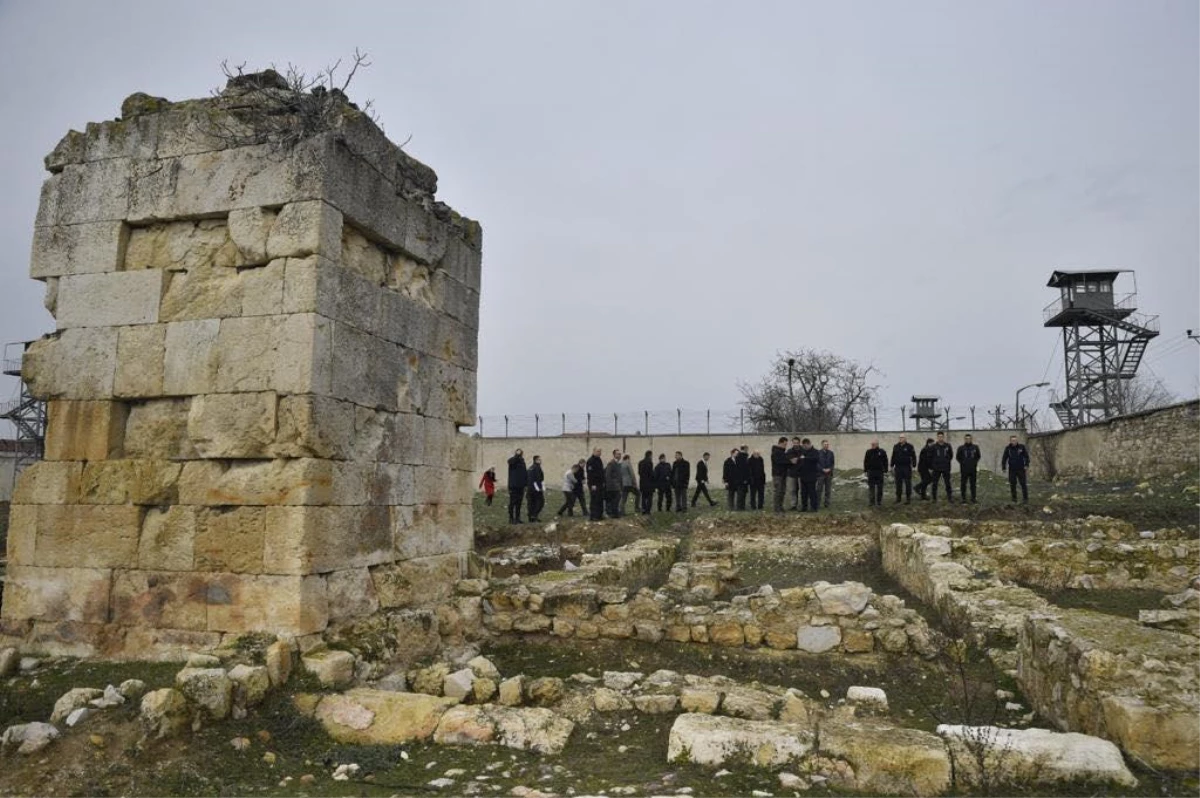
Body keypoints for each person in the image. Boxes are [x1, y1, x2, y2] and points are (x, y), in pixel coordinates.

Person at [1001, 435, 1031, 503]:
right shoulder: (1008, 448)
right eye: (1012, 440)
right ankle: (1014, 499)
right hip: (1012, 470)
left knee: (1023, 484)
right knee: (1012, 484)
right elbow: (1004, 458)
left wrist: (1026, 465)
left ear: (1017, 440)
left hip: (1021, 469)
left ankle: (1025, 499)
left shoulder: (1021, 447)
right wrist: (1004, 467)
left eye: (1015, 440)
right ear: (1010, 441)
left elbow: (1026, 457)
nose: (1014, 442)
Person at [797, 438, 822, 512]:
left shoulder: (815, 452)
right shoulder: (803, 452)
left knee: (812, 492)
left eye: (805, 446)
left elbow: (815, 459)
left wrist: (805, 458)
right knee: (803, 493)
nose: (804, 447)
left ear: (809, 444)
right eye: (803, 446)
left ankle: (814, 507)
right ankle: (804, 507)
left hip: (811, 476)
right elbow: (800, 461)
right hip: (803, 475)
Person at [956, 434, 982, 504]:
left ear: (971, 439)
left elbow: (978, 456)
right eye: (966, 439)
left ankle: (973, 498)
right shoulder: (961, 448)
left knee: (973, 484)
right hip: (964, 469)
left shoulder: (975, 447)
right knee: (963, 484)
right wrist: (963, 463)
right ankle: (963, 499)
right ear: (964, 439)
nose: (968, 440)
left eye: (969, 439)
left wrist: (974, 463)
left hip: (972, 469)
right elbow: (958, 457)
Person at [891, 435, 917, 504]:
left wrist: (914, 464)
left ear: (905, 439)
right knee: (898, 483)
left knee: (908, 483)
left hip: (906, 467)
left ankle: (908, 499)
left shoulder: (909, 446)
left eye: (902, 438)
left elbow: (913, 456)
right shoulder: (896, 446)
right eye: (900, 437)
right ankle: (898, 498)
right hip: (898, 467)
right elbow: (893, 456)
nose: (901, 439)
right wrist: (891, 465)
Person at [930, 431, 954, 503]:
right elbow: (930, 457)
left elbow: (951, 455)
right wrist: (933, 465)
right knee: (934, 483)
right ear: (937, 437)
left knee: (947, 483)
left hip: (945, 468)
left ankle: (949, 498)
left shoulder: (947, 446)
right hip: (936, 468)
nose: (940, 438)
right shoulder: (934, 447)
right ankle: (934, 498)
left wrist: (946, 462)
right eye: (939, 437)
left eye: (942, 437)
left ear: (943, 437)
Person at [863, 439, 889, 507]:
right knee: (871, 487)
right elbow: (866, 461)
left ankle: (879, 501)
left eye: (873, 444)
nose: (872, 445)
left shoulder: (882, 451)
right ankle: (872, 502)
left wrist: (886, 470)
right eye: (871, 444)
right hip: (871, 472)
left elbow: (885, 461)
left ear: (877, 444)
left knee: (880, 487)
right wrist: (865, 470)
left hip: (879, 472)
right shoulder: (868, 452)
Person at [507, 449, 528, 524]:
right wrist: (516, 455)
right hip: (513, 486)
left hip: (521, 486)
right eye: (518, 452)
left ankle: (517, 518)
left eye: (520, 452)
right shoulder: (512, 461)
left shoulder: (523, 462)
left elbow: (525, 474)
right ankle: (511, 518)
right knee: (512, 503)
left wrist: (526, 484)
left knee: (519, 503)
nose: (519, 454)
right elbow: (510, 461)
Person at [770, 436, 790, 513]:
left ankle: (780, 506)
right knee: (778, 491)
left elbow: (785, 462)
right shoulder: (776, 452)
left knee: (782, 491)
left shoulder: (782, 452)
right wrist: (790, 461)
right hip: (777, 474)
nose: (785, 446)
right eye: (785, 444)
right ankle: (776, 508)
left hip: (783, 474)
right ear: (780, 443)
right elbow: (780, 462)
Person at [586, 447, 606, 521]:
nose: (599, 453)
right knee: (594, 500)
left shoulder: (599, 460)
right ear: (594, 451)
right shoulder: (590, 461)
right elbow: (590, 474)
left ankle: (599, 515)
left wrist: (603, 481)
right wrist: (592, 485)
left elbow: (601, 472)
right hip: (594, 484)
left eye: (600, 451)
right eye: (598, 451)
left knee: (600, 499)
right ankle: (593, 516)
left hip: (600, 483)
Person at [785, 436, 804, 510]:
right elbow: (788, 460)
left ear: (799, 443)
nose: (796, 444)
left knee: (802, 490)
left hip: (801, 473)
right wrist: (792, 460)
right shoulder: (789, 451)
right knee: (792, 490)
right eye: (794, 443)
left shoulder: (803, 450)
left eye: (797, 443)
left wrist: (797, 459)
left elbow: (803, 460)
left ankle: (802, 504)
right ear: (792, 443)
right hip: (791, 474)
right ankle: (793, 505)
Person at [605, 449, 624, 518]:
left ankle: (615, 513)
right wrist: (610, 486)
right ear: (614, 455)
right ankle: (613, 513)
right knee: (614, 499)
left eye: (620, 454)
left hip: (617, 485)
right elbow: (608, 475)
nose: (619, 455)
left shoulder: (619, 464)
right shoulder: (611, 463)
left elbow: (619, 475)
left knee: (616, 500)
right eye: (618, 454)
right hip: (613, 486)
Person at [817, 440, 835, 508]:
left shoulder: (831, 453)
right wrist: (822, 469)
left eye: (827, 444)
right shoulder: (818, 453)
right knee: (819, 489)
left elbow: (833, 463)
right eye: (825, 444)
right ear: (822, 445)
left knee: (828, 490)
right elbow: (817, 463)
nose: (826, 445)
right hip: (820, 474)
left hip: (828, 474)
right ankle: (817, 503)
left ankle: (827, 503)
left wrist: (830, 469)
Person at [527, 455, 545, 522]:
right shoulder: (537, 467)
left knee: (531, 503)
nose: (540, 461)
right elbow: (537, 479)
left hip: (530, 489)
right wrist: (539, 488)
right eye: (539, 460)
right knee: (540, 502)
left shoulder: (530, 468)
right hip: (535, 489)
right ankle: (534, 515)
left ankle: (531, 517)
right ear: (536, 460)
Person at [733, 445, 751, 510]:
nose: (748, 450)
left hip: (742, 478)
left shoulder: (742, 456)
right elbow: (743, 469)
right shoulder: (741, 457)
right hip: (741, 479)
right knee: (741, 493)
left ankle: (742, 507)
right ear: (745, 449)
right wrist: (745, 479)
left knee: (743, 493)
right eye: (747, 449)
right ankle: (740, 507)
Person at [638, 450, 655, 514]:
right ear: (650, 455)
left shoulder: (640, 462)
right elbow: (651, 473)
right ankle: (648, 510)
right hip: (649, 483)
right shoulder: (649, 462)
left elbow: (639, 472)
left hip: (642, 482)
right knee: (649, 497)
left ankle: (643, 509)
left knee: (643, 497)